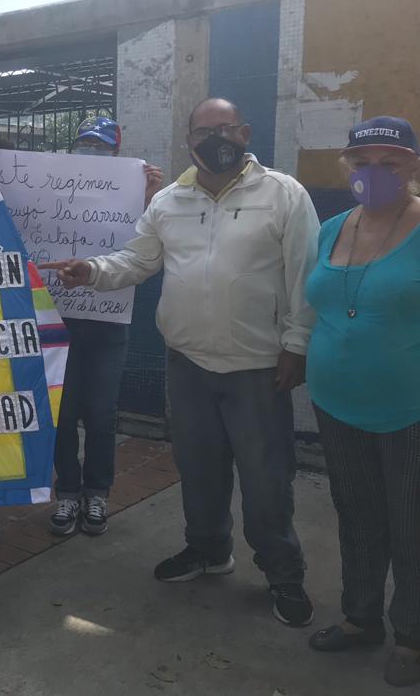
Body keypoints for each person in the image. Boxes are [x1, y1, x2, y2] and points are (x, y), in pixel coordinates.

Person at [44, 98, 320, 628]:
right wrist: (93, 269)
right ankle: (209, 550)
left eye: (225, 128)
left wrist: (297, 345)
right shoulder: (170, 200)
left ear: (244, 131)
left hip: (258, 365)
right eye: (204, 131)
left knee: (267, 479)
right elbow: (138, 259)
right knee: (198, 471)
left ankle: (283, 572)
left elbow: (303, 275)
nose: (216, 138)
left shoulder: (283, 194)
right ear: (188, 140)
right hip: (188, 363)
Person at [304, 116, 420, 688]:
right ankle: (361, 616)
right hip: (335, 401)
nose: (374, 174)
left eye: (390, 163)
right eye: (362, 162)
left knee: (412, 525)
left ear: (414, 167)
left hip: (410, 409)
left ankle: (413, 635)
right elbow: (320, 302)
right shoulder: (332, 228)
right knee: (358, 516)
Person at [49, 116, 164, 537]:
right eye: (84, 144)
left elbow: (147, 248)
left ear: (117, 154)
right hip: (59, 318)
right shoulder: (54, 185)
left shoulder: (141, 195)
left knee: (100, 414)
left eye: (100, 147)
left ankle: (96, 491)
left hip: (109, 322)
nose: (91, 153)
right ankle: (66, 493)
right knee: (61, 414)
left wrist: (147, 195)